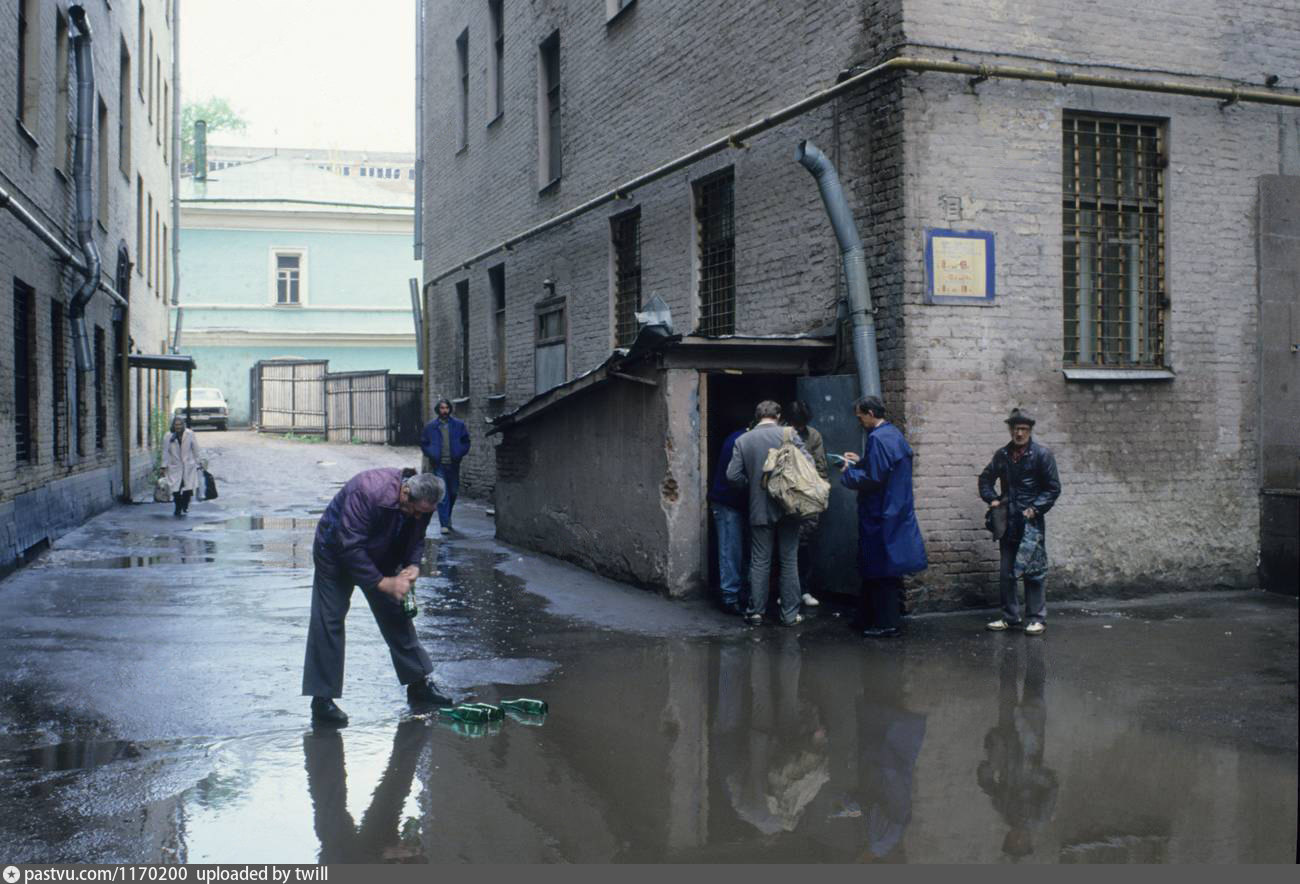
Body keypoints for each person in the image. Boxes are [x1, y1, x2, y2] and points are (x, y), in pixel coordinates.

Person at [303, 469, 452, 726]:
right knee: (329, 620)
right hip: (335, 554)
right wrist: (382, 583)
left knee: (397, 613)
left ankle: (418, 684)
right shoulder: (367, 490)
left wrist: (413, 564)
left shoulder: (422, 504)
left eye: (424, 513)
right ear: (405, 492)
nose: (419, 516)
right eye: (415, 510)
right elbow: (349, 546)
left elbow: (416, 537)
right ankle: (322, 700)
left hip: (381, 552)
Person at [838, 396, 927, 638]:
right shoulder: (893, 434)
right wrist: (861, 462)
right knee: (879, 567)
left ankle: (887, 623)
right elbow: (885, 468)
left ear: (870, 413)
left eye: (860, 417)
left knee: (880, 569)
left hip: (880, 511)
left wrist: (848, 473)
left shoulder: (877, 438)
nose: (859, 422)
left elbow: (873, 478)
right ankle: (867, 617)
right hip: (894, 509)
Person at [726, 400, 812, 627]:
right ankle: (789, 615)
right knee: (789, 560)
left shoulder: (743, 440)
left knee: (759, 561)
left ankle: (756, 612)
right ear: (779, 415)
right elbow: (809, 465)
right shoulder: (789, 434)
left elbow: (732, 476)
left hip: (759, 507)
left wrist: (752, 485)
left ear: (757, 416)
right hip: (789, 507)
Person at [978, 409, 1061, 636]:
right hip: (1007, 521)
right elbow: (985, 479)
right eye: (1016, 428)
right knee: (1007, 572)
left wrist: (1035, 508)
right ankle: (1010, 617)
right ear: (1010, 430)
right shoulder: (1003, 454)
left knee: (1034, 571)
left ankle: (1036, 618)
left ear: (1030, 430)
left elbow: (1053, 488)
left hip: (1030, 522)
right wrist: (993, 499)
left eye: (1023, 429)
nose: (1019, 433)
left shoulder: (1042, 455)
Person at [785, 400, 828, 608]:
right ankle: (785, 591)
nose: (799, 428)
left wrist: (820, 495)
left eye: (802, 424)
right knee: (784, 545)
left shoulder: (813, 436)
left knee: (804, 545)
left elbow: (821, 467)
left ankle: (803, 589)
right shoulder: (779, 434)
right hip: (784, 497)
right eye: (796, 424)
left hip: (807, 498)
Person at [709, 425, 751, 615]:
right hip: (728, 502)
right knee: (730, 549)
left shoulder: (738, 438)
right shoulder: (740, 441)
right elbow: (734, 476)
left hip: (732, 502)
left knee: (733, 549)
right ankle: (730, 597)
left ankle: (734, 594)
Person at [420, 399, 471, 534]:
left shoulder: (458, 425)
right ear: (438, 410)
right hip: (439, 465)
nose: (444, 411)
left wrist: (459, 453)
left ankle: (447, 517)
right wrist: (432, 454)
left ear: (450, 409)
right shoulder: (431, 427)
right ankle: (444, 524)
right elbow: (424, 443)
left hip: (453, 464)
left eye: (447, 408)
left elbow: (466, 441)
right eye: (442, 408)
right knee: (443, 494)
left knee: (453, 492)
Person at [163, 415, 203, 517]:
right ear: (173, 425)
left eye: (180, 424)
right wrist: (163, 466)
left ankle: (185, 505)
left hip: (188, 465)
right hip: (174, 465)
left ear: (183, 425)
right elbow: (165, 451)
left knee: (188, 487)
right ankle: (178, 506)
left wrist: (198, 462)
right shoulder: (168, 436)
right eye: (176, 425)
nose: (178, 427)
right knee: (175, 488)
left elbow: (195, 449)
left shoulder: (190, 434)